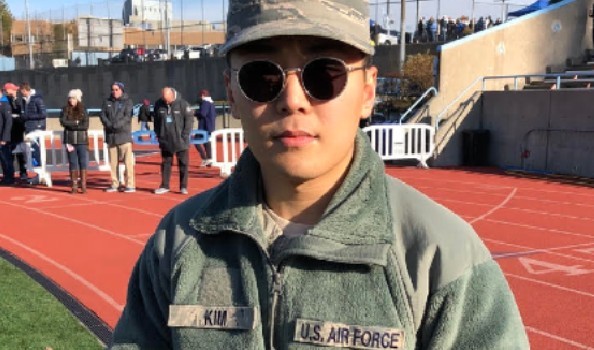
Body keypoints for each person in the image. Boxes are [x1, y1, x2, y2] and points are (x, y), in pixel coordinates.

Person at [110, 1, 529, 349]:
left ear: (367, 92)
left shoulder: (439, 257)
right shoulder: (179, 241)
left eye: (324, 75)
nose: (292, 100)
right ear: (232, 94)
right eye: (262, 76)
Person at [152, 87, 194, 195]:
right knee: (166, 163)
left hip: (181, 140)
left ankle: (183, 186)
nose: (166, 101)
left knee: (183, 164)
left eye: (168, 99)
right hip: (165, 140)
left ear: (172, 94)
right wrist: (159, 134)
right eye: (164, 99)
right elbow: (156, 121)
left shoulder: (183, 104)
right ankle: (165, 185)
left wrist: (184, 136)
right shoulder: (158, 104)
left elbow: (189, 121)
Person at [99, 82, 135, 193]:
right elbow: (102, 115)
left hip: (124, 136)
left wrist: (116, 126)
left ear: (121, 90)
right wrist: (109, 125)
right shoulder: (107, 102)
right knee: (113, 163)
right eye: (113, 89)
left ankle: (130, 184)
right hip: (111, 137)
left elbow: (127, 117)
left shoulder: (128, 102)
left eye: (116, 89)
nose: (114, 91)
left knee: (128, 163)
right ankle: (115, 183)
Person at [59, 89, 89, 194]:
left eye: (73, 98)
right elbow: (63, 122)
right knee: (73, 162)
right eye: (70, 98)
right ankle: (74, 185)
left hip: (81, 140)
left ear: (77, 99)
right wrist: (75, 123)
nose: (71, 100)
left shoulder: (83, 110)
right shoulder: (64, 109)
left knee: (83, 162)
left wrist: (71, 124)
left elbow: (85, 125)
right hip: (70, 140)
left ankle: (84, 184)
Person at [19, 82, 47, 170]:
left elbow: (43, 114)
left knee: (36, 149)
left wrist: (28, 117)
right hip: (29, 127)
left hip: (36, 128)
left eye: (22, 91)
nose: (21, 93)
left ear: (25, 90)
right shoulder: (24, 100)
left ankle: (40, 170)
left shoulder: (37, 99)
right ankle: (36, 170)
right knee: (31, 150)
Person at [4, 83, 27, 181]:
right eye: (13, 90)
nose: (15, 92)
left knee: (21, 153)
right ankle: (10, 173)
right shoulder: (5, 101)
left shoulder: (20, 101)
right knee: (10, 153)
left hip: (19, 129)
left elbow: (22, 113)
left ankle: (23, 172)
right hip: (10, 131)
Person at [194, 89, 216, 166]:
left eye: (200, 96)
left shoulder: (205, 103)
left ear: (203, 95)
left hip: (204, 126)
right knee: (207, 142)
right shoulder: (211, 103)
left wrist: (194, 112)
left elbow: (203, 113)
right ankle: (209, 159)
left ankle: (205, 158)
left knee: (196, 141)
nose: (199, 97)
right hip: (209, 126)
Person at [0, 89, 13, 185]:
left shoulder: (5, 104)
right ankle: (5, 176)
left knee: (6, 157)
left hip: (3, 137)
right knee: (2, 158)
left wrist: (5, 138)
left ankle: (9, 177)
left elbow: (8, 122)